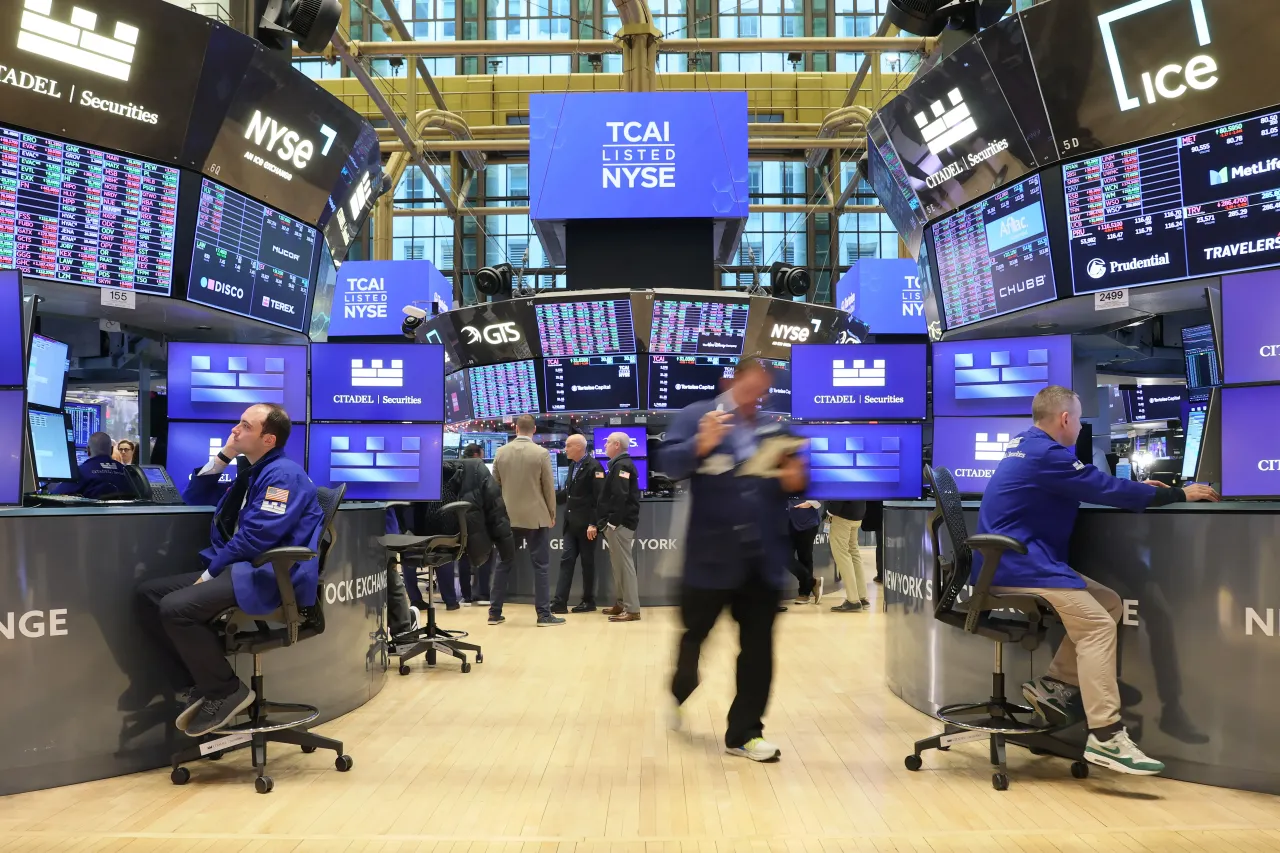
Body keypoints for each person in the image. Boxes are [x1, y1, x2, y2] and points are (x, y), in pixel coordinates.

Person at [975, 385, 1218, 776]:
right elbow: (1103, 488)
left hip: (1015, 561)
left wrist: (1142, 489)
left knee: (1108, 603)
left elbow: (1088, 481)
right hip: (1019, 566)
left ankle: (1055, 686)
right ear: (1066, 419)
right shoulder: (1046, 454)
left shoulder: (1026, 446)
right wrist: (1177, 494)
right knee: (1097, 626)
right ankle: (1106, 735)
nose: (1080, 428)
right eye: (1080, 420)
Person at [135, 404, 324, 738]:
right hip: (240, 568)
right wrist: (224, 455)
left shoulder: (282, 476)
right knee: (149, 595)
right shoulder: (252, 471)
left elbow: (256, 537)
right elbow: (193, 497)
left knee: (175, 608)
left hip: (267, 576)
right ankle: (200, 686)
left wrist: (207, 575)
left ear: (268, 439)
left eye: (245, 426)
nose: (235, 429)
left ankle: (225, 691)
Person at [660, 356, 807, 762]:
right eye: (750, 387)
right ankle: (679, 689)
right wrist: (699, 445)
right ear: (733, 380)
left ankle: (745, 732)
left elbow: (795, 483)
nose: (756, 396)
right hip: (709, 560)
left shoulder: (773, 429)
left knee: (758, 649)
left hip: (761, 560)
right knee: (694, 638)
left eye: (763, 389)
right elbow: (669, 464)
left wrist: (796, 478)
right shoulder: (697, 416)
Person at [490, 415, 562, 627]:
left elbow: (495, 486)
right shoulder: (541, 453)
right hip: (536, 518)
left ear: (515, 427)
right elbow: (548, 486)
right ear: (534, 429)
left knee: (503, 563)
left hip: (508, 517)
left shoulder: (500, 452)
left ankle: (494, 613)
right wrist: (552, 513)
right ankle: (543, 615)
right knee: (540, 565)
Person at [436, 445, 515, 610]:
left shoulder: (443, 469)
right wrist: (505, 543)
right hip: (476, 524)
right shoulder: (478, 470)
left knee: (462, 557)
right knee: (483, 552)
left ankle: (466, 596)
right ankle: (483, 594)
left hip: (450, 526)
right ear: (476, 455)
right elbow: (494, 505)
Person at [551, 434, 604, 614]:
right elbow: (569, 493)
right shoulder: (573, 465)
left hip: (586, 526)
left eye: (568, 446)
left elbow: (599, 499)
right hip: (571, 524)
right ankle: (559, 602)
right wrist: (549, 498)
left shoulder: (594, 467)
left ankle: (589, 601)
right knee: (566, 561)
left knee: (587, 563)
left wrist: (593, 523)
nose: (565, 449)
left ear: (580, 447)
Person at [598, 431, 642, 623]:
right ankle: (622, 603)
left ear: (616, 445)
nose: (605, 445)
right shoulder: (618, 465)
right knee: (618, 566)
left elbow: (620, 495)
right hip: (618, 523)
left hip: (621, 524)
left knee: (625, 566)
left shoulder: (622, 466)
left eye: (607, 442)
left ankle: (632, 609)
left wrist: (613, 522)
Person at [51, 432, 136, 499]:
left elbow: (55, 495)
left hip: (93, 519)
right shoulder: (126, 472)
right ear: (111, 450)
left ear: (88, 450)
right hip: (127, 519)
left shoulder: (81, 472)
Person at [827, 500, 870, 612]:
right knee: (854, 553)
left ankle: (853, 600)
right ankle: (862, 597)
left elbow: (839, 492)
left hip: (842, 515)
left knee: (842, 555)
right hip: (858, 513)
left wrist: (829, 512)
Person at [786, 496, 823, 606]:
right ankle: (811, 581)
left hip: (807, 522)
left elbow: (819, 493)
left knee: (805, 557)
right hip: (785, 522)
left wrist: (809, 503)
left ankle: (804, 593)